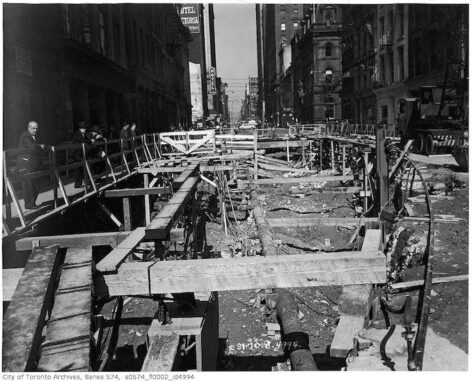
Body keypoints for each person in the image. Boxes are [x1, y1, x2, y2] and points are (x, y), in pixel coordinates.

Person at [18, 121, 46, 209]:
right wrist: (40, 146)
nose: (35, 130)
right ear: (28, 128)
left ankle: (33, 203)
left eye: (37, 128)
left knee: (35, 184)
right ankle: (29, 204)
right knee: (28, 184)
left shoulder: (34, 136)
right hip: (27, 164)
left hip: (34, 163)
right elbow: (31, 146)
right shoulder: (25, 135)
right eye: (33, 128)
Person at [71, 121, 93, 188]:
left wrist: (91, 140)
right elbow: (82, 141)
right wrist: (90, 141)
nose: (84, 129)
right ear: (80, 129)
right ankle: (78, 184)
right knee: (79, 169)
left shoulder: (83, 134)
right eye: (83, 128)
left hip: (80, 154)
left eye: (85, 128)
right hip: (76, 154)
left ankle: (81, 183)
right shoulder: (78, 134)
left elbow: (87, 140)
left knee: (81, 168)